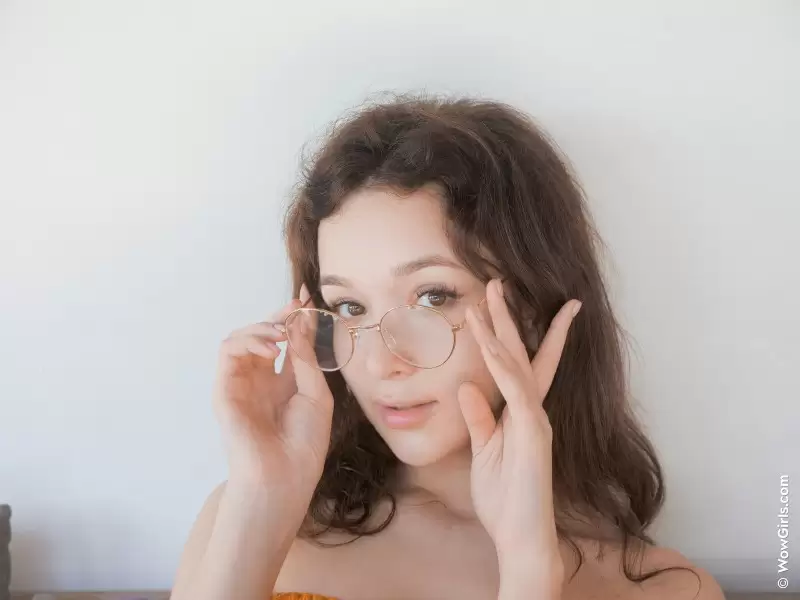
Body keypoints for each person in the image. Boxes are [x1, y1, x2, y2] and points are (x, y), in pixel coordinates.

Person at [171, 95, 725, 600]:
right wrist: (261, 506)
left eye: (432, 297)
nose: (380, 363)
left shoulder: (668, 590)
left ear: (531, 309)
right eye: (349, 307)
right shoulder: (247, 518)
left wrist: (530, 568)